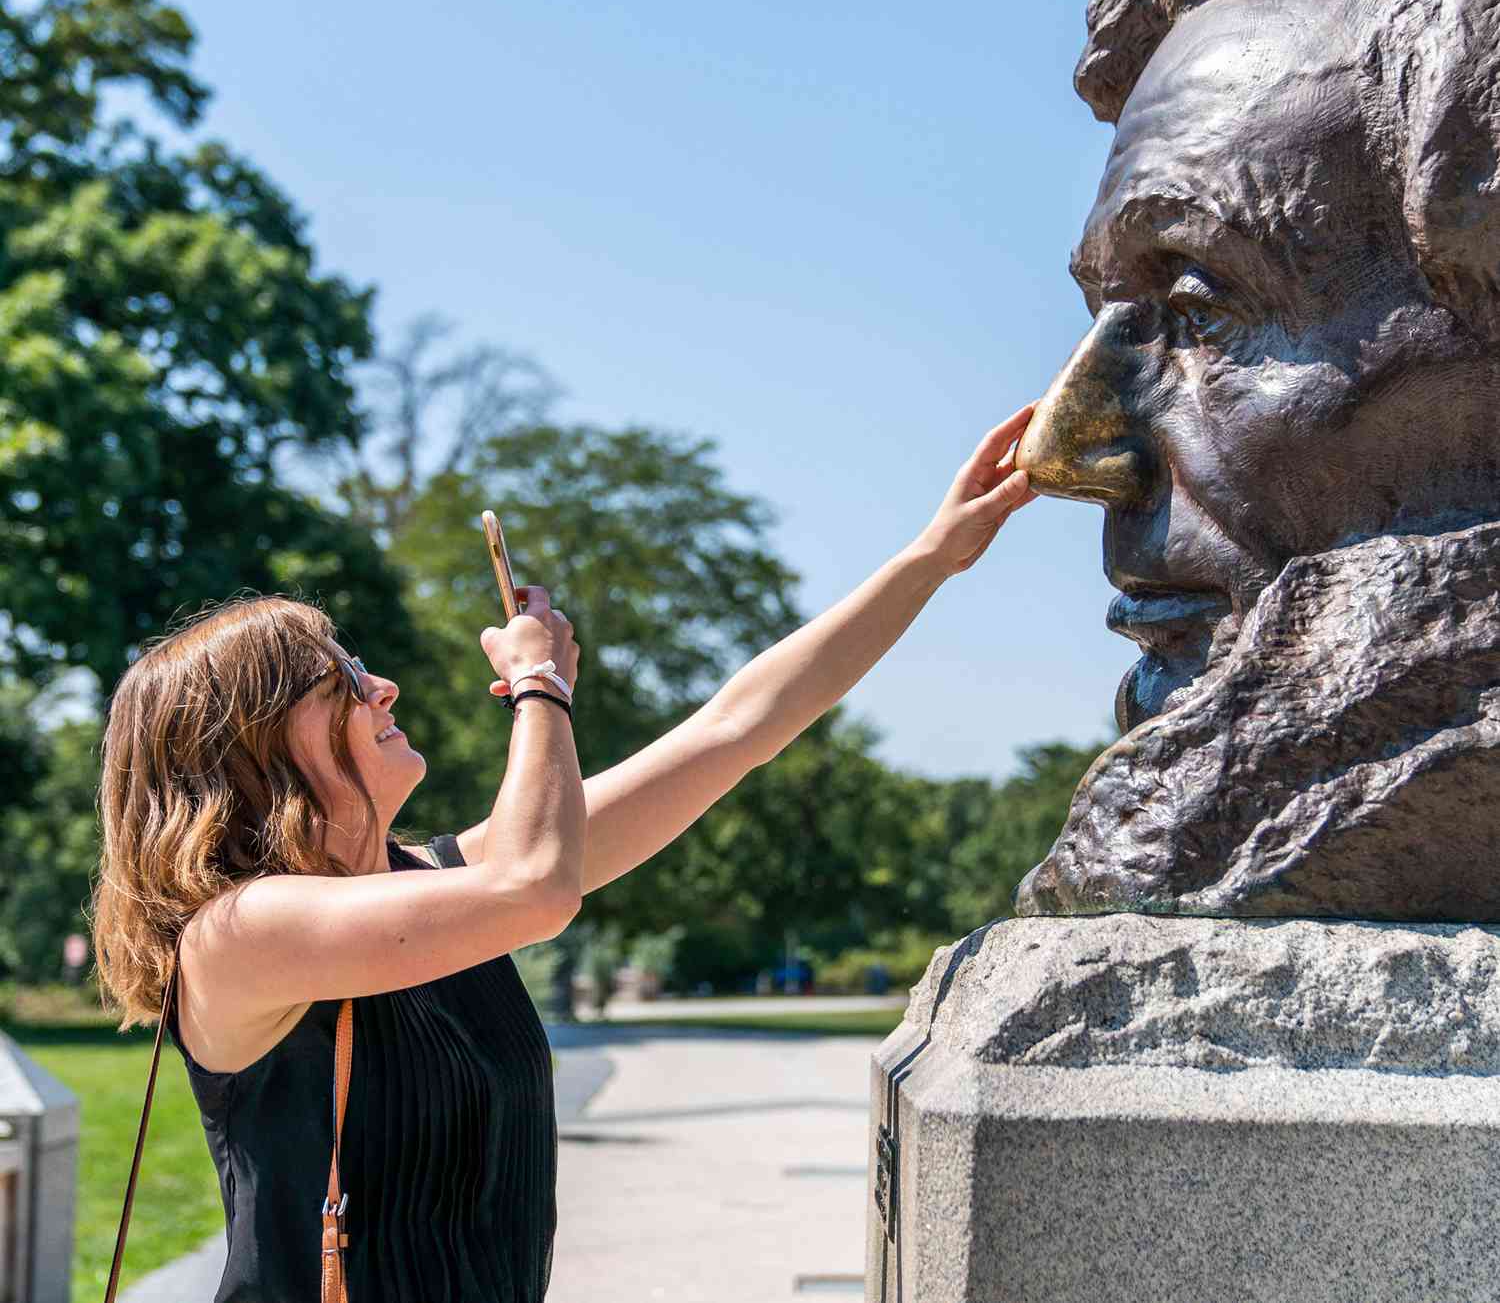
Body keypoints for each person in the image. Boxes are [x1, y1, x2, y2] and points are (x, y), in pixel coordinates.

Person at [90, 403, 1035, 1303]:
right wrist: (539, 684)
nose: (380, 685)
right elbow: (537, 887)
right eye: (334, 676)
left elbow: (735, 730)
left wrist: (934, 554)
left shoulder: (444, 884)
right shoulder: (241, 932)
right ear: (249, 746)